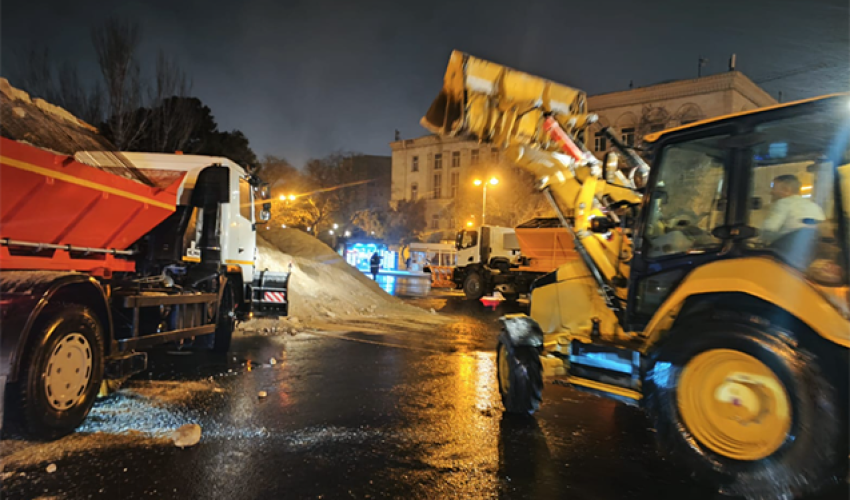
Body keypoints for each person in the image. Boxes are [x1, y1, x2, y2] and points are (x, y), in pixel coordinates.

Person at [761, 174, 825, 244]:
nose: (771, 192)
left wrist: (759, 235)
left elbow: (768, 229)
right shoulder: (814, 206)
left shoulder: (783, 203)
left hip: (784, 250)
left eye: (774, 188)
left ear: (786, 190)